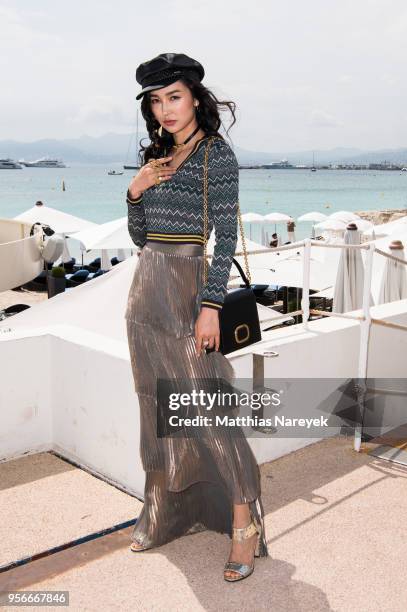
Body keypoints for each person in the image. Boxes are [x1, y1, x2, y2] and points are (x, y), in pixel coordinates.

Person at [124, 52, 269, 582]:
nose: (165, 109)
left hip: (189, 291)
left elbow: (225, 235)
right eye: (156, 101)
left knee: (206, 410)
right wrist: (135, 191)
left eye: (174, 96)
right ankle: (165, 512)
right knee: (156, 411)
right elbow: (141, 238)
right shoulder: (157, 155)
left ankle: (241, 523)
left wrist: (211, 305)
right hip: (145, 294)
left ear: (196, 97)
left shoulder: (216, 156)